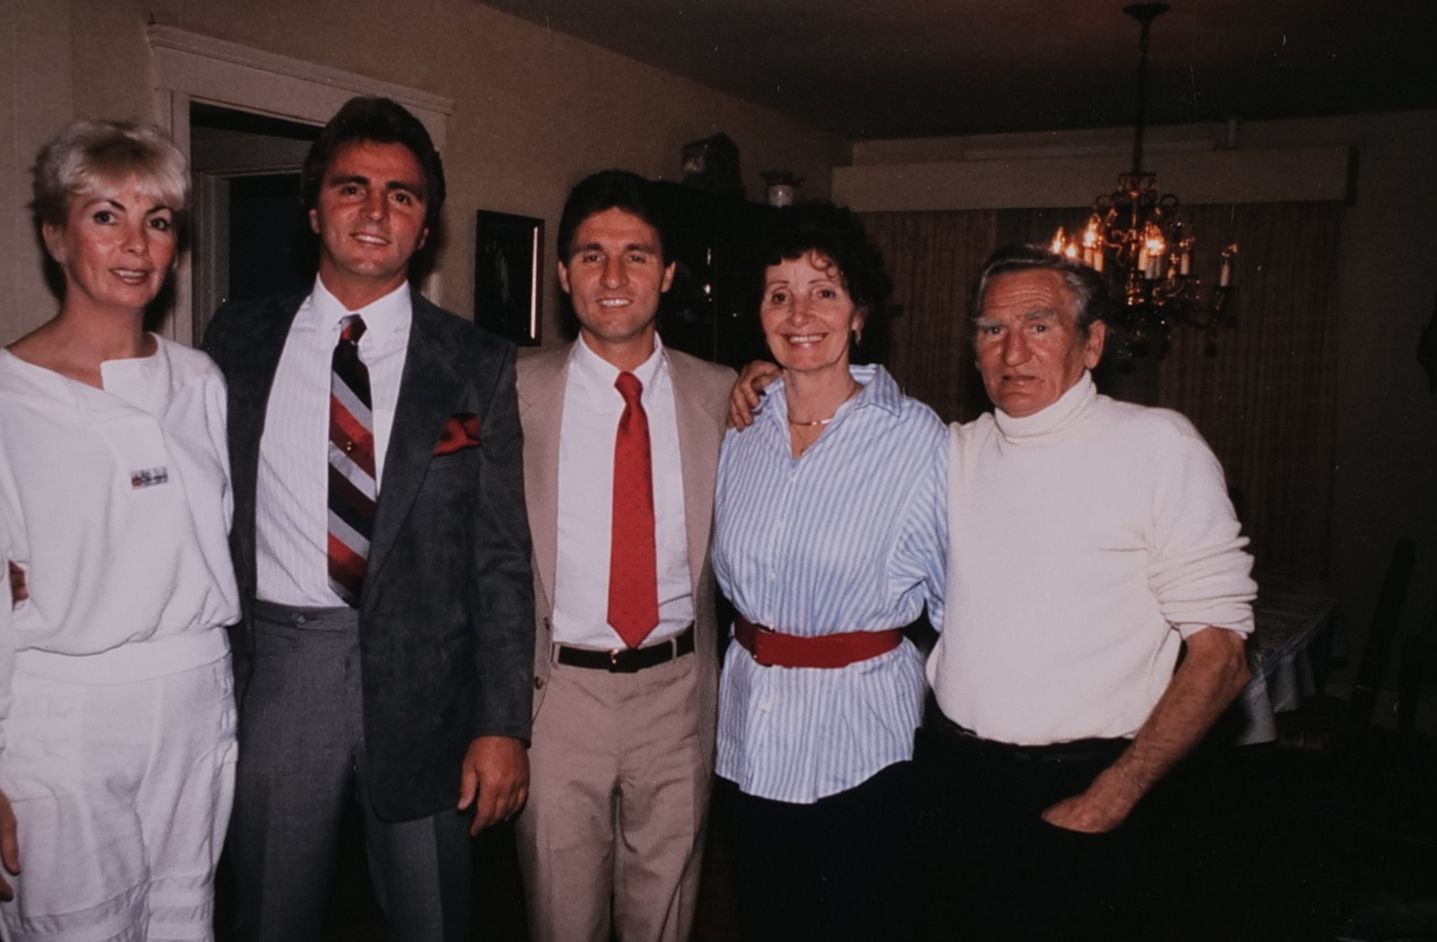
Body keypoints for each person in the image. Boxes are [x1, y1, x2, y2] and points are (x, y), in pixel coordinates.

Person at [203, 96, 534, 942]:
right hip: (284, 672)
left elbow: (500, 560)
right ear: (315, 209)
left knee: (435, 919)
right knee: (269, 916)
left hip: (429, 689)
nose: (376, 211)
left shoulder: (476, 363)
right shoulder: (235, 340)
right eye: (352, 188)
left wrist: (501, 723)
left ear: (425, 227)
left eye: (402, 195)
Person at [920, 244, 1255, 939]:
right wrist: (765, 383)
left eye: (1039, 326)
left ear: (1092, 343)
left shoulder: (1157, 446)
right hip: (957, 781)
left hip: (1092, 780)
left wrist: (1110, 798)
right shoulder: (954, 450)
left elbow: (1222, 657)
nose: (1012, 351)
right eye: (992, 329)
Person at [0, 120, 238, 940]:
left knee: (181, 918)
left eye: (158, 220)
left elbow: (208, 538)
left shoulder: (200, 381)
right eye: (106, 216)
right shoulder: (11, 399)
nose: (136, 244)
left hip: (196, 699)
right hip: (64, 716)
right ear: (55, 235)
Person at [713, 201, 947, 941]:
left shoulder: (916, 439)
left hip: (863, 746)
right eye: (778, 294)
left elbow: (957, 609)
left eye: (824, 291)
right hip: (750, 737)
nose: (799, 314)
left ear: (859, 313)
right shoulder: (739, 427)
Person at [514, 170, 733, 942]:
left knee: (665, 919)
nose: (613, 277)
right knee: (559, 917)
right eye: (592, 255)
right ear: (563, 272)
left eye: (636, 255)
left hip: (677, 696)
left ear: (666, 274)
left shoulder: (725, 395)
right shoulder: (513, 391)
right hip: (557, 697)